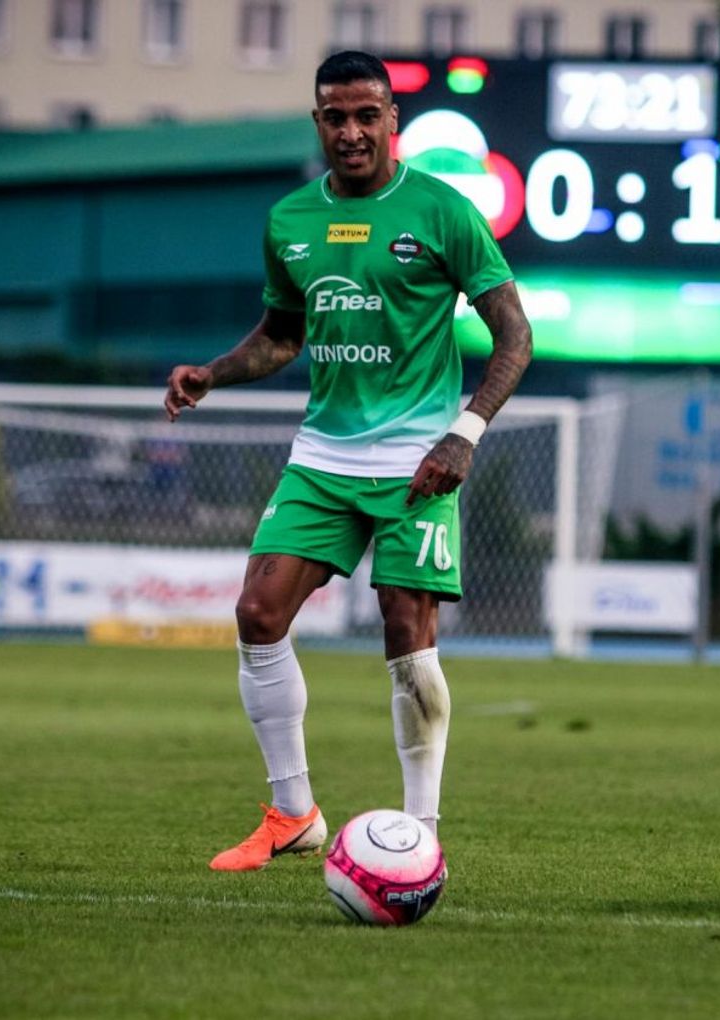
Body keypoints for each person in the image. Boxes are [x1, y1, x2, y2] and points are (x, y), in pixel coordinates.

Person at [164, 51, 532, 871]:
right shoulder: (290, 220)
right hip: (323, 454)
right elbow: (282, 336)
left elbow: (515, 335)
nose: (353, 131)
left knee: (406, 629)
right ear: (318, 122)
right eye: (336, 117)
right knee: (258, 614)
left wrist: (464, 433)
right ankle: (292, 814)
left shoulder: (444, 210)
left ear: (392, 120)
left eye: (368, 114)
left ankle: (420, 834)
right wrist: (214, 373)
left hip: (420, 457)